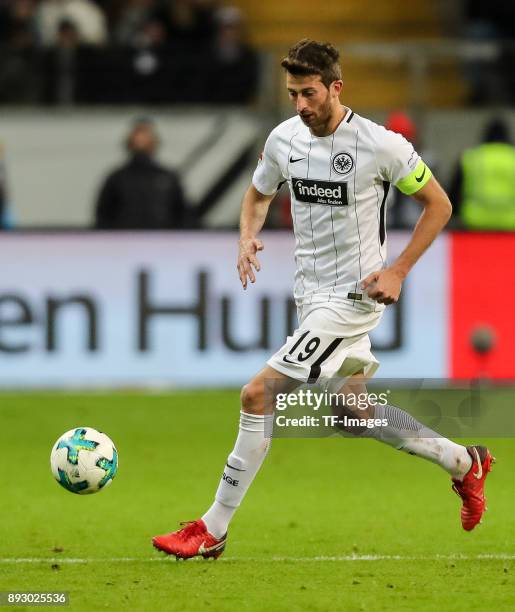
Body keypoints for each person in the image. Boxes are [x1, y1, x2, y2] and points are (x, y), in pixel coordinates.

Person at [152, 40, 495, 560]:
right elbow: (258, 193)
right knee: (351, 412)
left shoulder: (381, 144)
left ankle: (212, 527)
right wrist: (246, 236)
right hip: (309, 295)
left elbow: (439, 205)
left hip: (352, 299)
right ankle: (464, 463)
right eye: (292, 94)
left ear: (336, 87)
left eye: (309, 93)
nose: (300, 106)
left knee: (257, 396)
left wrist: (399, 269)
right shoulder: (284, 138)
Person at [94, 117, 190, 229]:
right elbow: (103, 215)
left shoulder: (167, 177)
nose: (141, 140)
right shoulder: (117, 178)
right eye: (138, 135)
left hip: (162, 240)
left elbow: (183, 213)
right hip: (124, 241)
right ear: (129, 141)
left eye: (146, 135)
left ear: (154, 141)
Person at [449, 118, 515, 229]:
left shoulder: (471, 157)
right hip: (511, 223)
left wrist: (455, 215)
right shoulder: (512, 157)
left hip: (475, 223)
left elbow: (455, 191)